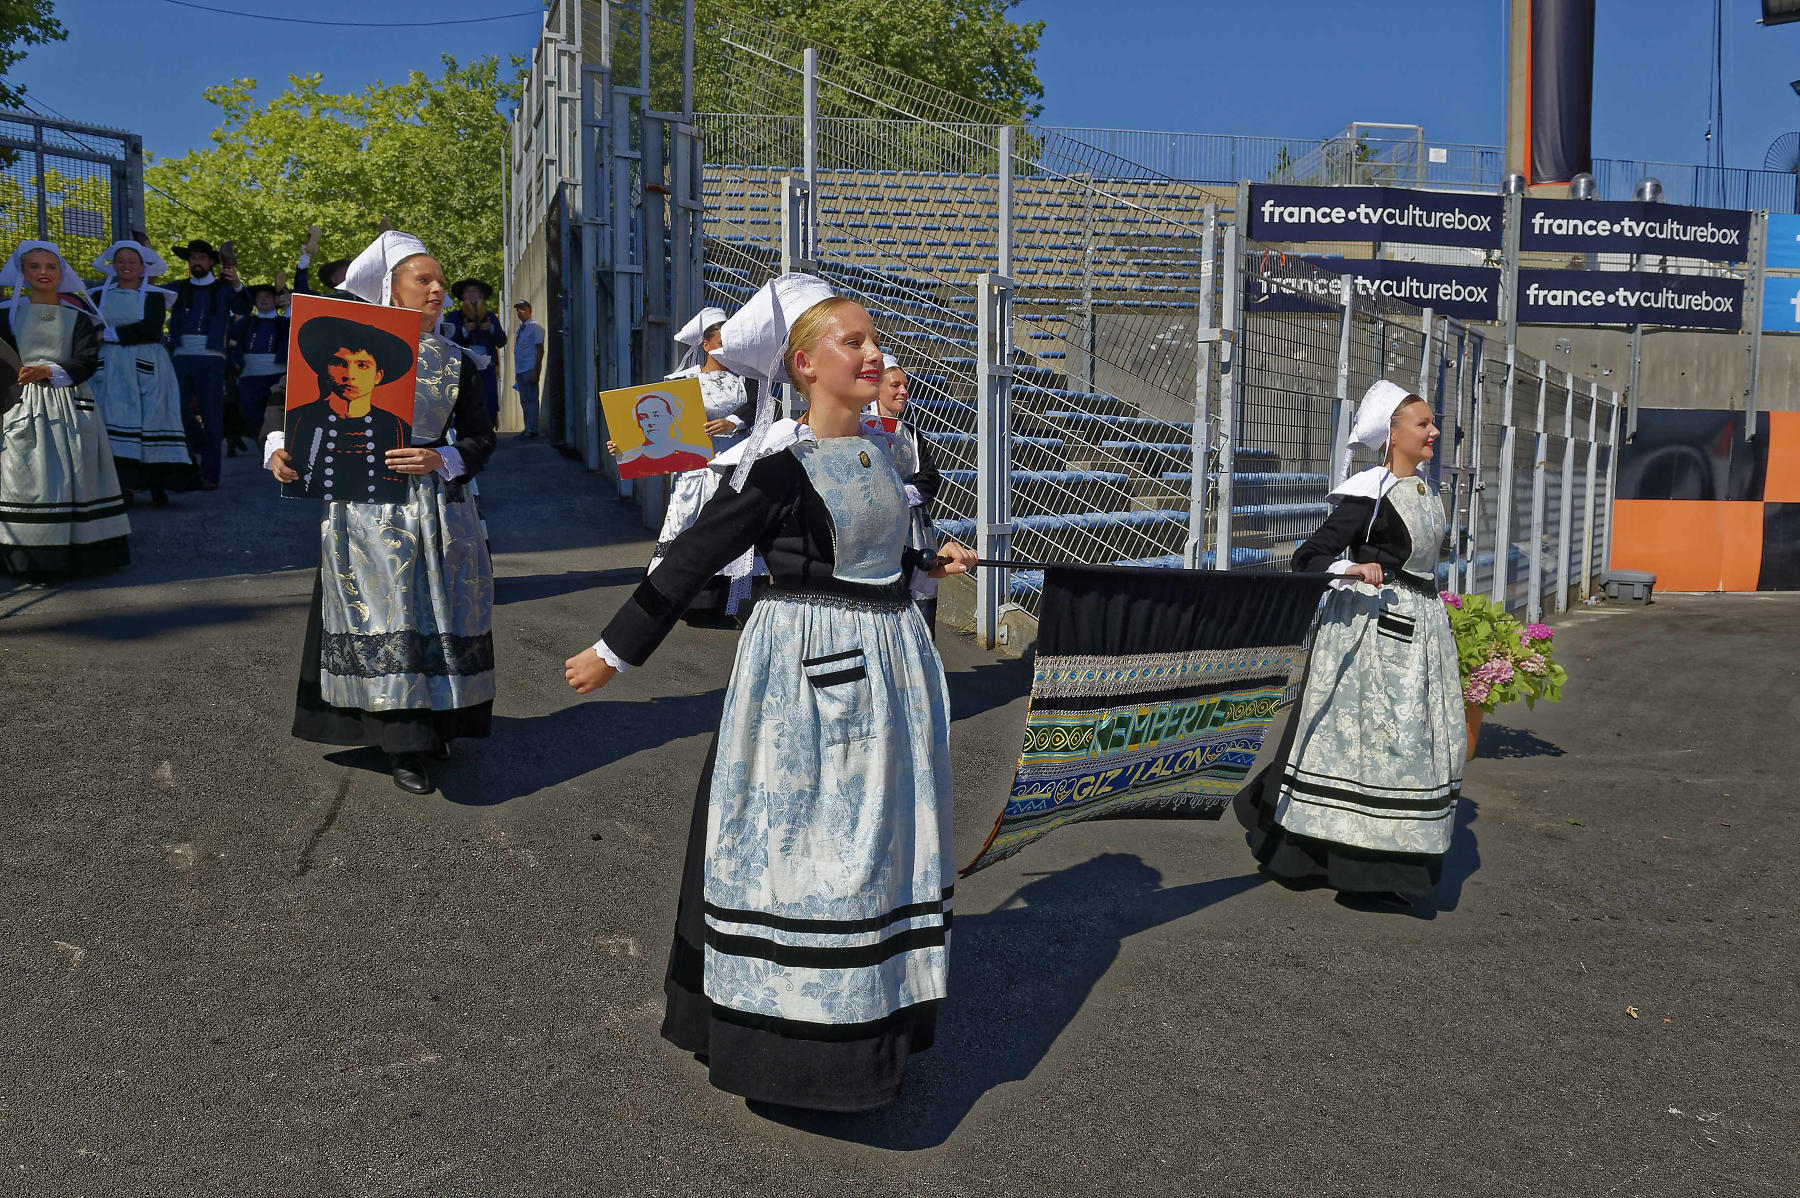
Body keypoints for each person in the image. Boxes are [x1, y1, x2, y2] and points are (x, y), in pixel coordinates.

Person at [563, 274, 977, 1112]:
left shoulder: (886, 452)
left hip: (890, 663)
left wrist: (925, 563)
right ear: (803, 366)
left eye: (874, 340)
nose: (872, 353)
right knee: (806, 849)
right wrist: (616, 648)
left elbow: (872, 550)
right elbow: (690, 557)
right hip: (804, 671)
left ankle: (871, 1032)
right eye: (851, 342)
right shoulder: (779, 470)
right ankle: (793, 1051)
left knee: (875, 850)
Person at [265, 231, 496, 797]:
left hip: (438, 507)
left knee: (436, 614)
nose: (439, 288)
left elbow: (482, 437)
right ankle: (403, 742)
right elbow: (284, 401)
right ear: (391, 289)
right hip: (367, 509)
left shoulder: (457, 359)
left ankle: (437, 723)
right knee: (382, 614)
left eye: (440, 280)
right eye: (425, 280)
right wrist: (278, 448)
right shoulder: (348, 347)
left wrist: (440, 455)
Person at [1236, 379, 1464, 906]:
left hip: (1420, 630)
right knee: (1373, 748)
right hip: (1370, 637)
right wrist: (1352, 567)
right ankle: (1354, 865)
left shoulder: (1427, 491)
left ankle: (1383, 859)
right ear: (1392, 434)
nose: (1433, 431)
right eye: (1422, 424)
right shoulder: (1369, 495)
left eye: (1432, 423)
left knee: (1413, 746)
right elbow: (1309, 556)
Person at [0, 241, 130, 578]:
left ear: (61, 273)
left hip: (68, 403)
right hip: (19, 402)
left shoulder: (78, 317)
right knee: (21, 475)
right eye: (34, 267)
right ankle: (27, 555)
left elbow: (87, 361)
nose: (44, 273)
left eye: (51, 267)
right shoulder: (5, 314)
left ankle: (80, 553)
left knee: (76, 475)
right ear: (22, 273)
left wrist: (47, 371)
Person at [624, 305, 762, 621]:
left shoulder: (747, 379)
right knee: (687, 524)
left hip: (733, 465)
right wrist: (627, 442)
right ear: (707, 345)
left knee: (727, 527)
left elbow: (757, 408)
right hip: (694, 466)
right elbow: (652, 422)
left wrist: (732, 422)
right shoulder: (681, 381)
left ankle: (727, 602)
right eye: (723, 341)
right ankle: (678, 600)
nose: (729, 348)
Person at [88, 239, 191, 506]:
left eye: (131, 261)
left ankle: (157, 485)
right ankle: (123, 487)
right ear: (113, 265)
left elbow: (149, 328)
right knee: (114, 420)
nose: (125, 266)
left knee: (152, 420)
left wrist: (106, 334)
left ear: (142, 267)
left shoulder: (155, 296)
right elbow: (89, 326)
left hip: (147, 362)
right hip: (109, 365)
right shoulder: (99, 294)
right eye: (120, 261)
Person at [280, 315, 414, 500]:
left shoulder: (397, 429)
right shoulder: (298, 420)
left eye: (362, 365)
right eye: (339, 363)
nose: (349, 375)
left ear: (378, 375)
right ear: (326, 369)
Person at [866, 353, 943, 637]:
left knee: (918, 601)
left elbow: (930, 478)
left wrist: (900, 494)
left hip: (912, 527)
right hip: (877, 526)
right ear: (877, 389)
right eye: (895, 385)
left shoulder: (910, 432)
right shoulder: (861, 429)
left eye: (906, 386)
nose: (903, 392)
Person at [165, 237, 247, 490]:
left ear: (211, 261)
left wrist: (237, 284)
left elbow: (245, 306)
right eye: (193, 258)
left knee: (212, 415)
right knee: (175, 409)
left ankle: (210, 475)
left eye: (201, 258)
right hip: (179, 356)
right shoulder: (176, 288)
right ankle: (194, 455)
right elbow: (149, 295)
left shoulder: (224, 289)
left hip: (212, 359)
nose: (197, 262)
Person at [441, 278, 505, 427]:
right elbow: (447, 341)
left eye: (475, 292)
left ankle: (488, 426)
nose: (471, 295)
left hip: (487, 366)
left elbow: (502, 341)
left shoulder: (490, 317)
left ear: (482, 295)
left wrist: (490, 329)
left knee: (488, 397)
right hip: (463, 365)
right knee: (464, 398)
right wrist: (464, 331)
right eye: (468, 292)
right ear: (462, 296)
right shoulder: (454, 317)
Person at [231, 283, 289, 442]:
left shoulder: (285, 322)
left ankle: (277, 451)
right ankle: (265, 450)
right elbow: (229, 335)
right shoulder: (245, 322)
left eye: (268, 297)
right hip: (250, 378)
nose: (263, 300)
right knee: (250, 415)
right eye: (259, 297)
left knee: (277, 417)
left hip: (278, 377)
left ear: (276, 300)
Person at [613, 389, 712, 474]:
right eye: (643, 417)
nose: (650, 422)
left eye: (656, 415)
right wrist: (617, 448)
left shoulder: (695, 460)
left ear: (671, 418)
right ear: (639, 423)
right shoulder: (629, 463)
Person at [511, 299, 544, 438]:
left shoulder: (535, 327)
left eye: (523, 309)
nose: (520, 311)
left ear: (529, 311)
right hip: (520, 369)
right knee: (524, 400)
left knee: (531, 399)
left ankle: (533, 429)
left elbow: (540, 349)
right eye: (518, 309)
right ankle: (527, 427)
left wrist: (535, 370)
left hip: (530, 368)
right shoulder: (520, 328)